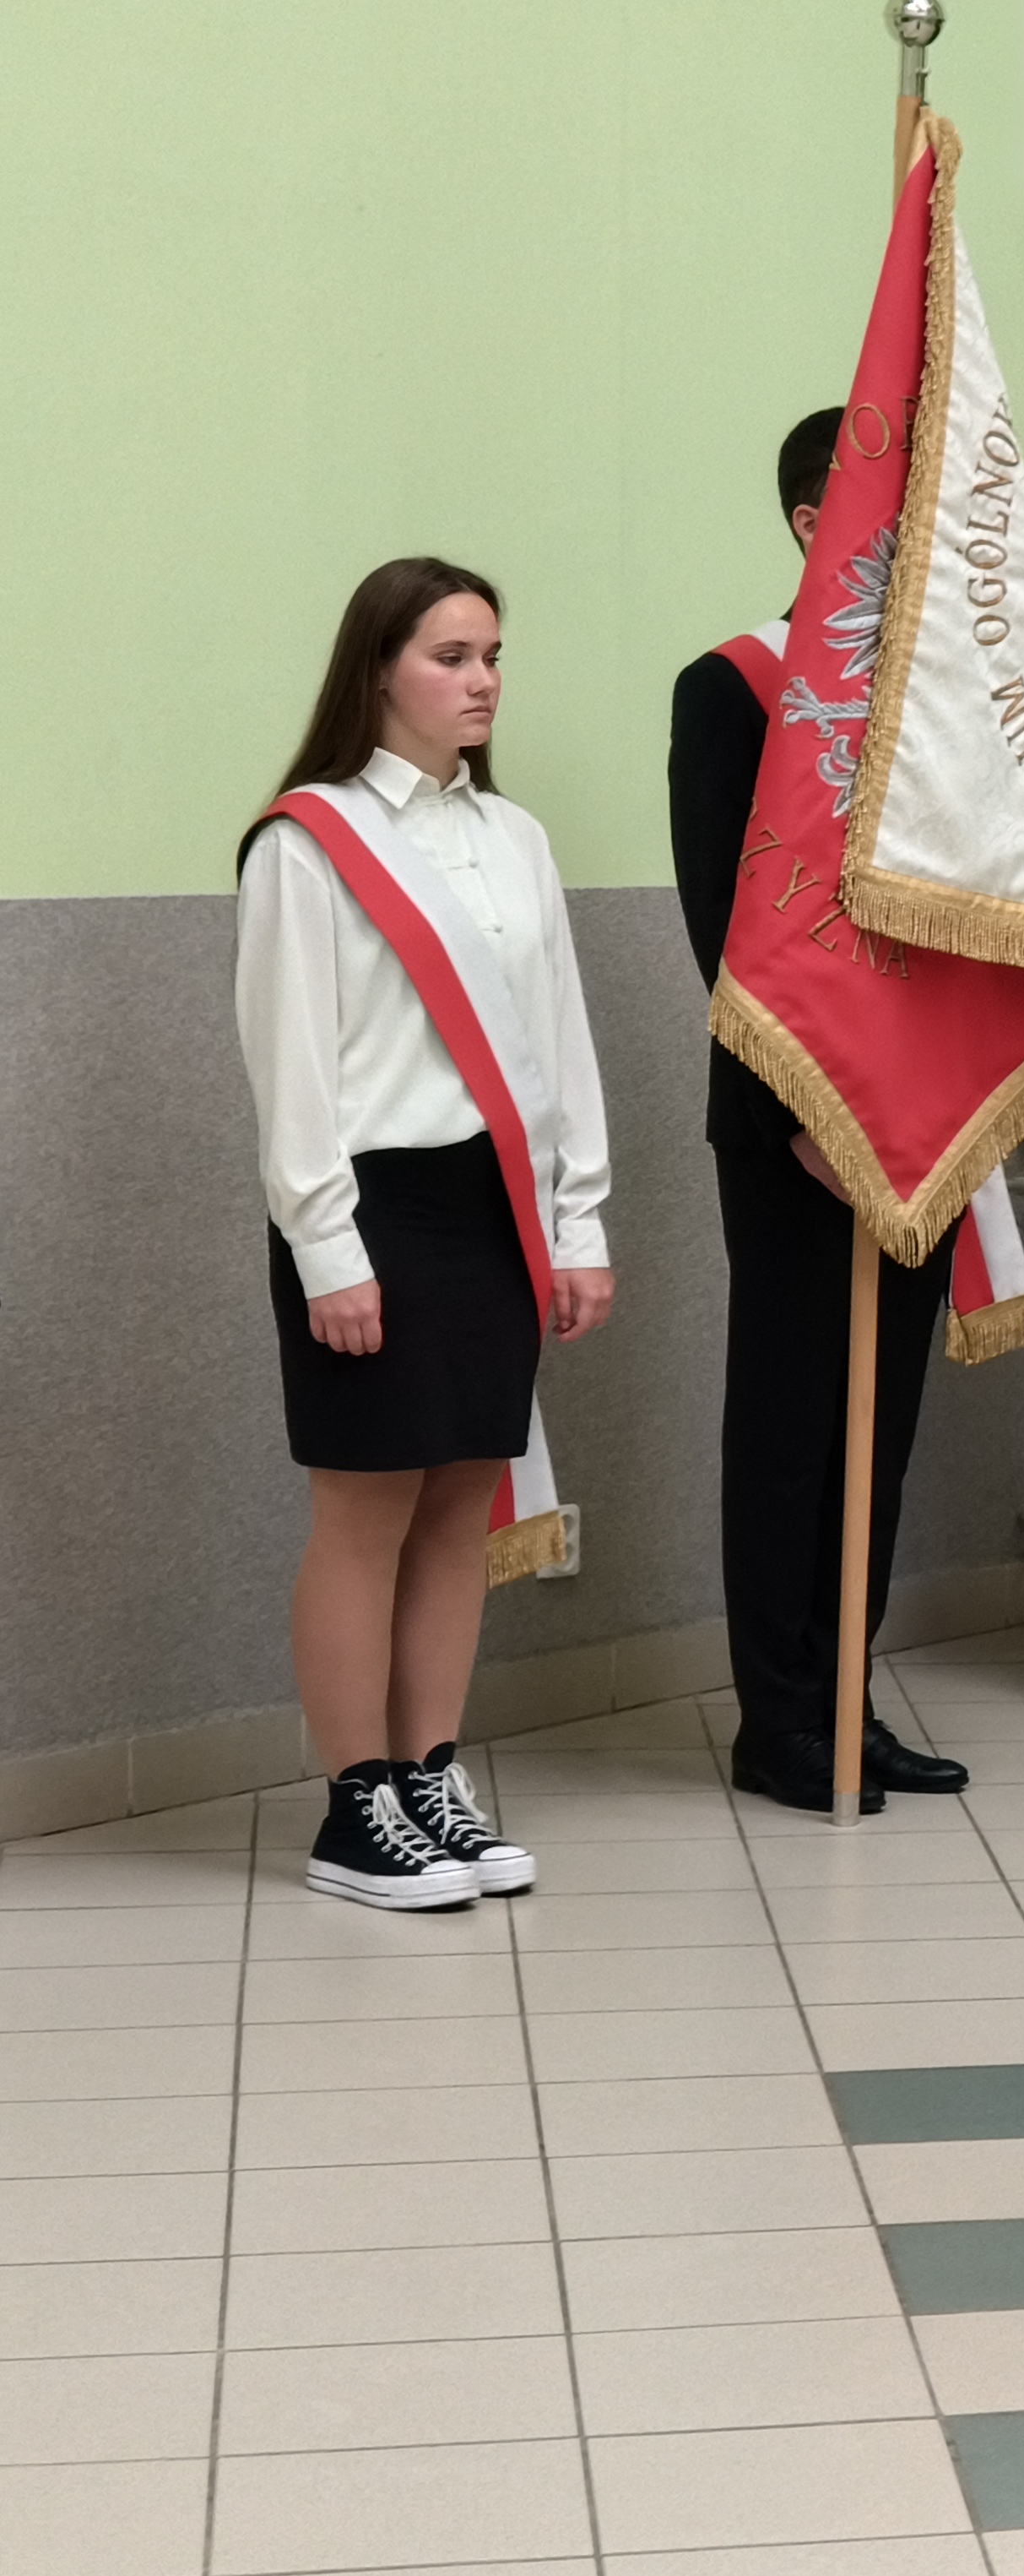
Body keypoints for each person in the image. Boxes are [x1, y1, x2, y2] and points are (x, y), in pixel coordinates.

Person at [238, 557, 615, 1909]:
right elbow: (291, 1070)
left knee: (462, 1507)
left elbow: (558, 1042)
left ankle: (428, 1774)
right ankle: (355, 1808)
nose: (482, 681)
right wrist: (326, 1250)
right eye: (451, 656)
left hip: (492, 1206)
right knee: (365, 1513)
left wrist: (578, 1220)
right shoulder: (308, 843)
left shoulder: (515, 838)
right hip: (372, 1208)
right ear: (378, 670)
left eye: (492, 655)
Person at [666, 407, 971, 1814]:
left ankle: (848, 1695)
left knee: (880, 1427)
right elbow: (725, 928)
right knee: (795, 1426)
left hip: (915, 1123)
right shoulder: (736, 687)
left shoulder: (942, 699)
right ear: (813, 523)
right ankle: (778, 1717)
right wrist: (804, 1110)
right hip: (792, 1127)